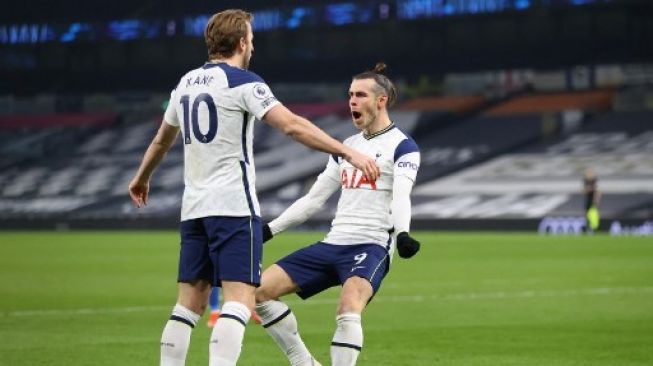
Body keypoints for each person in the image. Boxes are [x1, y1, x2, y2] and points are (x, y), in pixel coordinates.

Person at [128, 9, 379, 366]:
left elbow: (160, 141)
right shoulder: (244, 82)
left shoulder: (184, 84)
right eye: (252, 38)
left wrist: (141, 177)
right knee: (240, 299)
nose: (253, 45)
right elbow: (291, 125)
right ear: (242, 42)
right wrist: (345, 150)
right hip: (233, 208)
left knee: (189, 303)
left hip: (194, 209)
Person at [254, 63, 421, 366]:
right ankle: (304, 362)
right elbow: (313, 200)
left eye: (360, 95)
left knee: (348, 307)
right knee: (259, 291)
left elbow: (401, 196)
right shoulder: (347, 148)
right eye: (349, 95)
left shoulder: (403, 147)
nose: (352, 101)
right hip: (333, 243)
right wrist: (268, 231)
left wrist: (404, 234)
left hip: (370, 245)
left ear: (380, 100)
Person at [583, 167, 601, 232]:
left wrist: (597, 200)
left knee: (594, 215)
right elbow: (585, 191)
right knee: (587, 214)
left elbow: (597, 191)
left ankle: (594, 227)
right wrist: (590, 189)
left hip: (593, 201)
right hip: (588, 200)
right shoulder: (586, 181)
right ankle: (589, 227)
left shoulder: (594, 181)